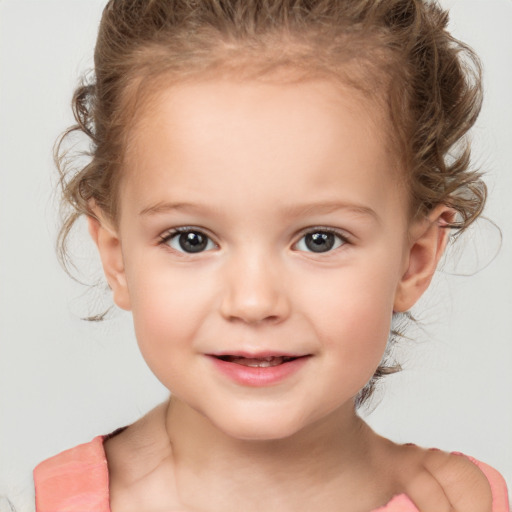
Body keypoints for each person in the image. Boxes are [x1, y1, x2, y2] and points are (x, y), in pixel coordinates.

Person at [31, 1, 509, 511]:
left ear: (413, 260)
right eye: (191, 239)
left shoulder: (465, 503)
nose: (254, 302)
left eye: (319, 239)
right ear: (117, 256)